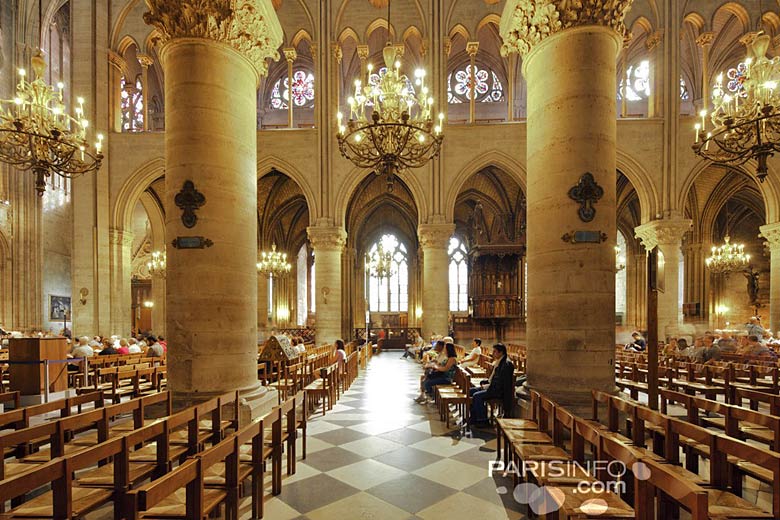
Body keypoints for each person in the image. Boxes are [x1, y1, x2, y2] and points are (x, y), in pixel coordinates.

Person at [468, 343, 515, 427]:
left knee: (477, 396)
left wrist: (487, 386)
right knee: (470, 391)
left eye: (494, 351)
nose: (492, 353)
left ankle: (482, 420)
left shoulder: (506, 364)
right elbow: (494, 378)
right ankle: (474, 418)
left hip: (498, 391)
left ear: (501, 352)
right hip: (493, 387)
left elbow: (501, 383)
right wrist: (486, 382)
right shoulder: (499, 361)